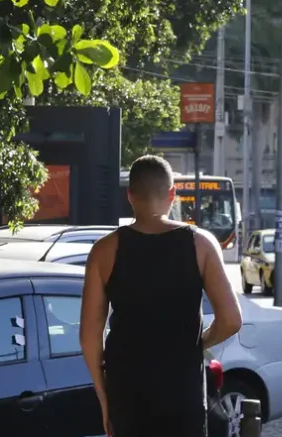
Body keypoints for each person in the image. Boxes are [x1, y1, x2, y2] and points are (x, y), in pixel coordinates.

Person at [81, 156, 242, 437]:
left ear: (130, 196)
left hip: (127, 396)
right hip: (183, 397)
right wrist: (198, 343)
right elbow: (230, 320)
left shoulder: (104, 251)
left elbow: (88, 336)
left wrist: (104, 399)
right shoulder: (200, 244)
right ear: (172, 195)